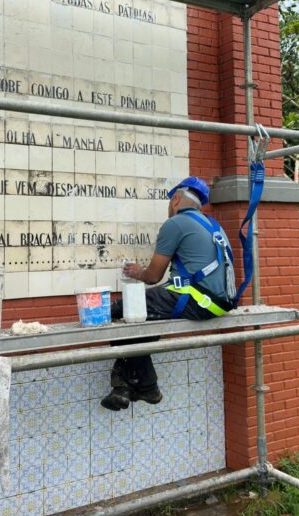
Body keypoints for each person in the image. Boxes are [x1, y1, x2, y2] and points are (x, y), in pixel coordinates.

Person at [101, 176, 235, 411]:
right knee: (145, 317)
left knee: (121, 310)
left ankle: (146, 386)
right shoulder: (212, 224)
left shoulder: (176, 224)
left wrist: (138, 272)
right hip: (219, 302)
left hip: (199, 301)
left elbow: (153, 276)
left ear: (175, 199)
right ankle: (124, 387)